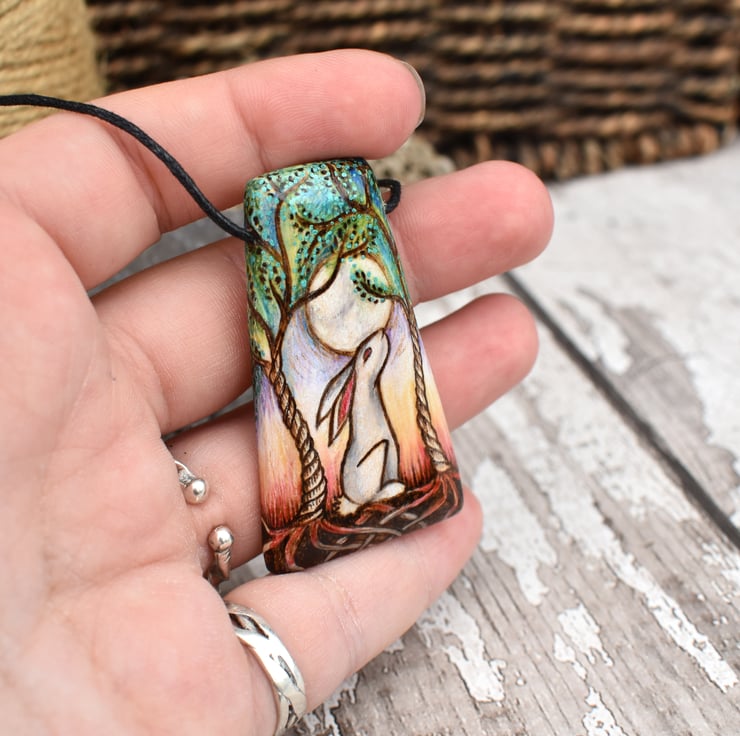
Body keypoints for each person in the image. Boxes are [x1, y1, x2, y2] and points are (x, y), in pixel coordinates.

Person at [0, 50, 552, 734]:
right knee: (358, 447)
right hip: (329, 466)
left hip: (370, 453)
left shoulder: (361, 310)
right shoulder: (294, 290)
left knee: (374, 441)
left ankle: (378, 493)